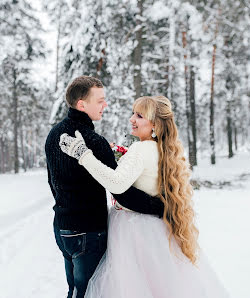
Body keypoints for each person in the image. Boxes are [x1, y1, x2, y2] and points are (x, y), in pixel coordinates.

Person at [59, 95, 230, 298]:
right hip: (154, 230)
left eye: (139, 116)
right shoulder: (162, 149)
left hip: (133, 231)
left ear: (155, 125)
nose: (132, 119)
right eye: (133, 113)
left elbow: (116, 183)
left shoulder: (141, 149)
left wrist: (83, 154)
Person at [45, 76, 164, 298]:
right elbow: (122, 193)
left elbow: (52, 181)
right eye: (100, 100)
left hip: (62, 228)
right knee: (90, 292)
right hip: (88, 232)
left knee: (74, 290)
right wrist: (159, 207)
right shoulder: (93, 141)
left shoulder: (54, 134)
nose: (105, 105)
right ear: (82, 104)